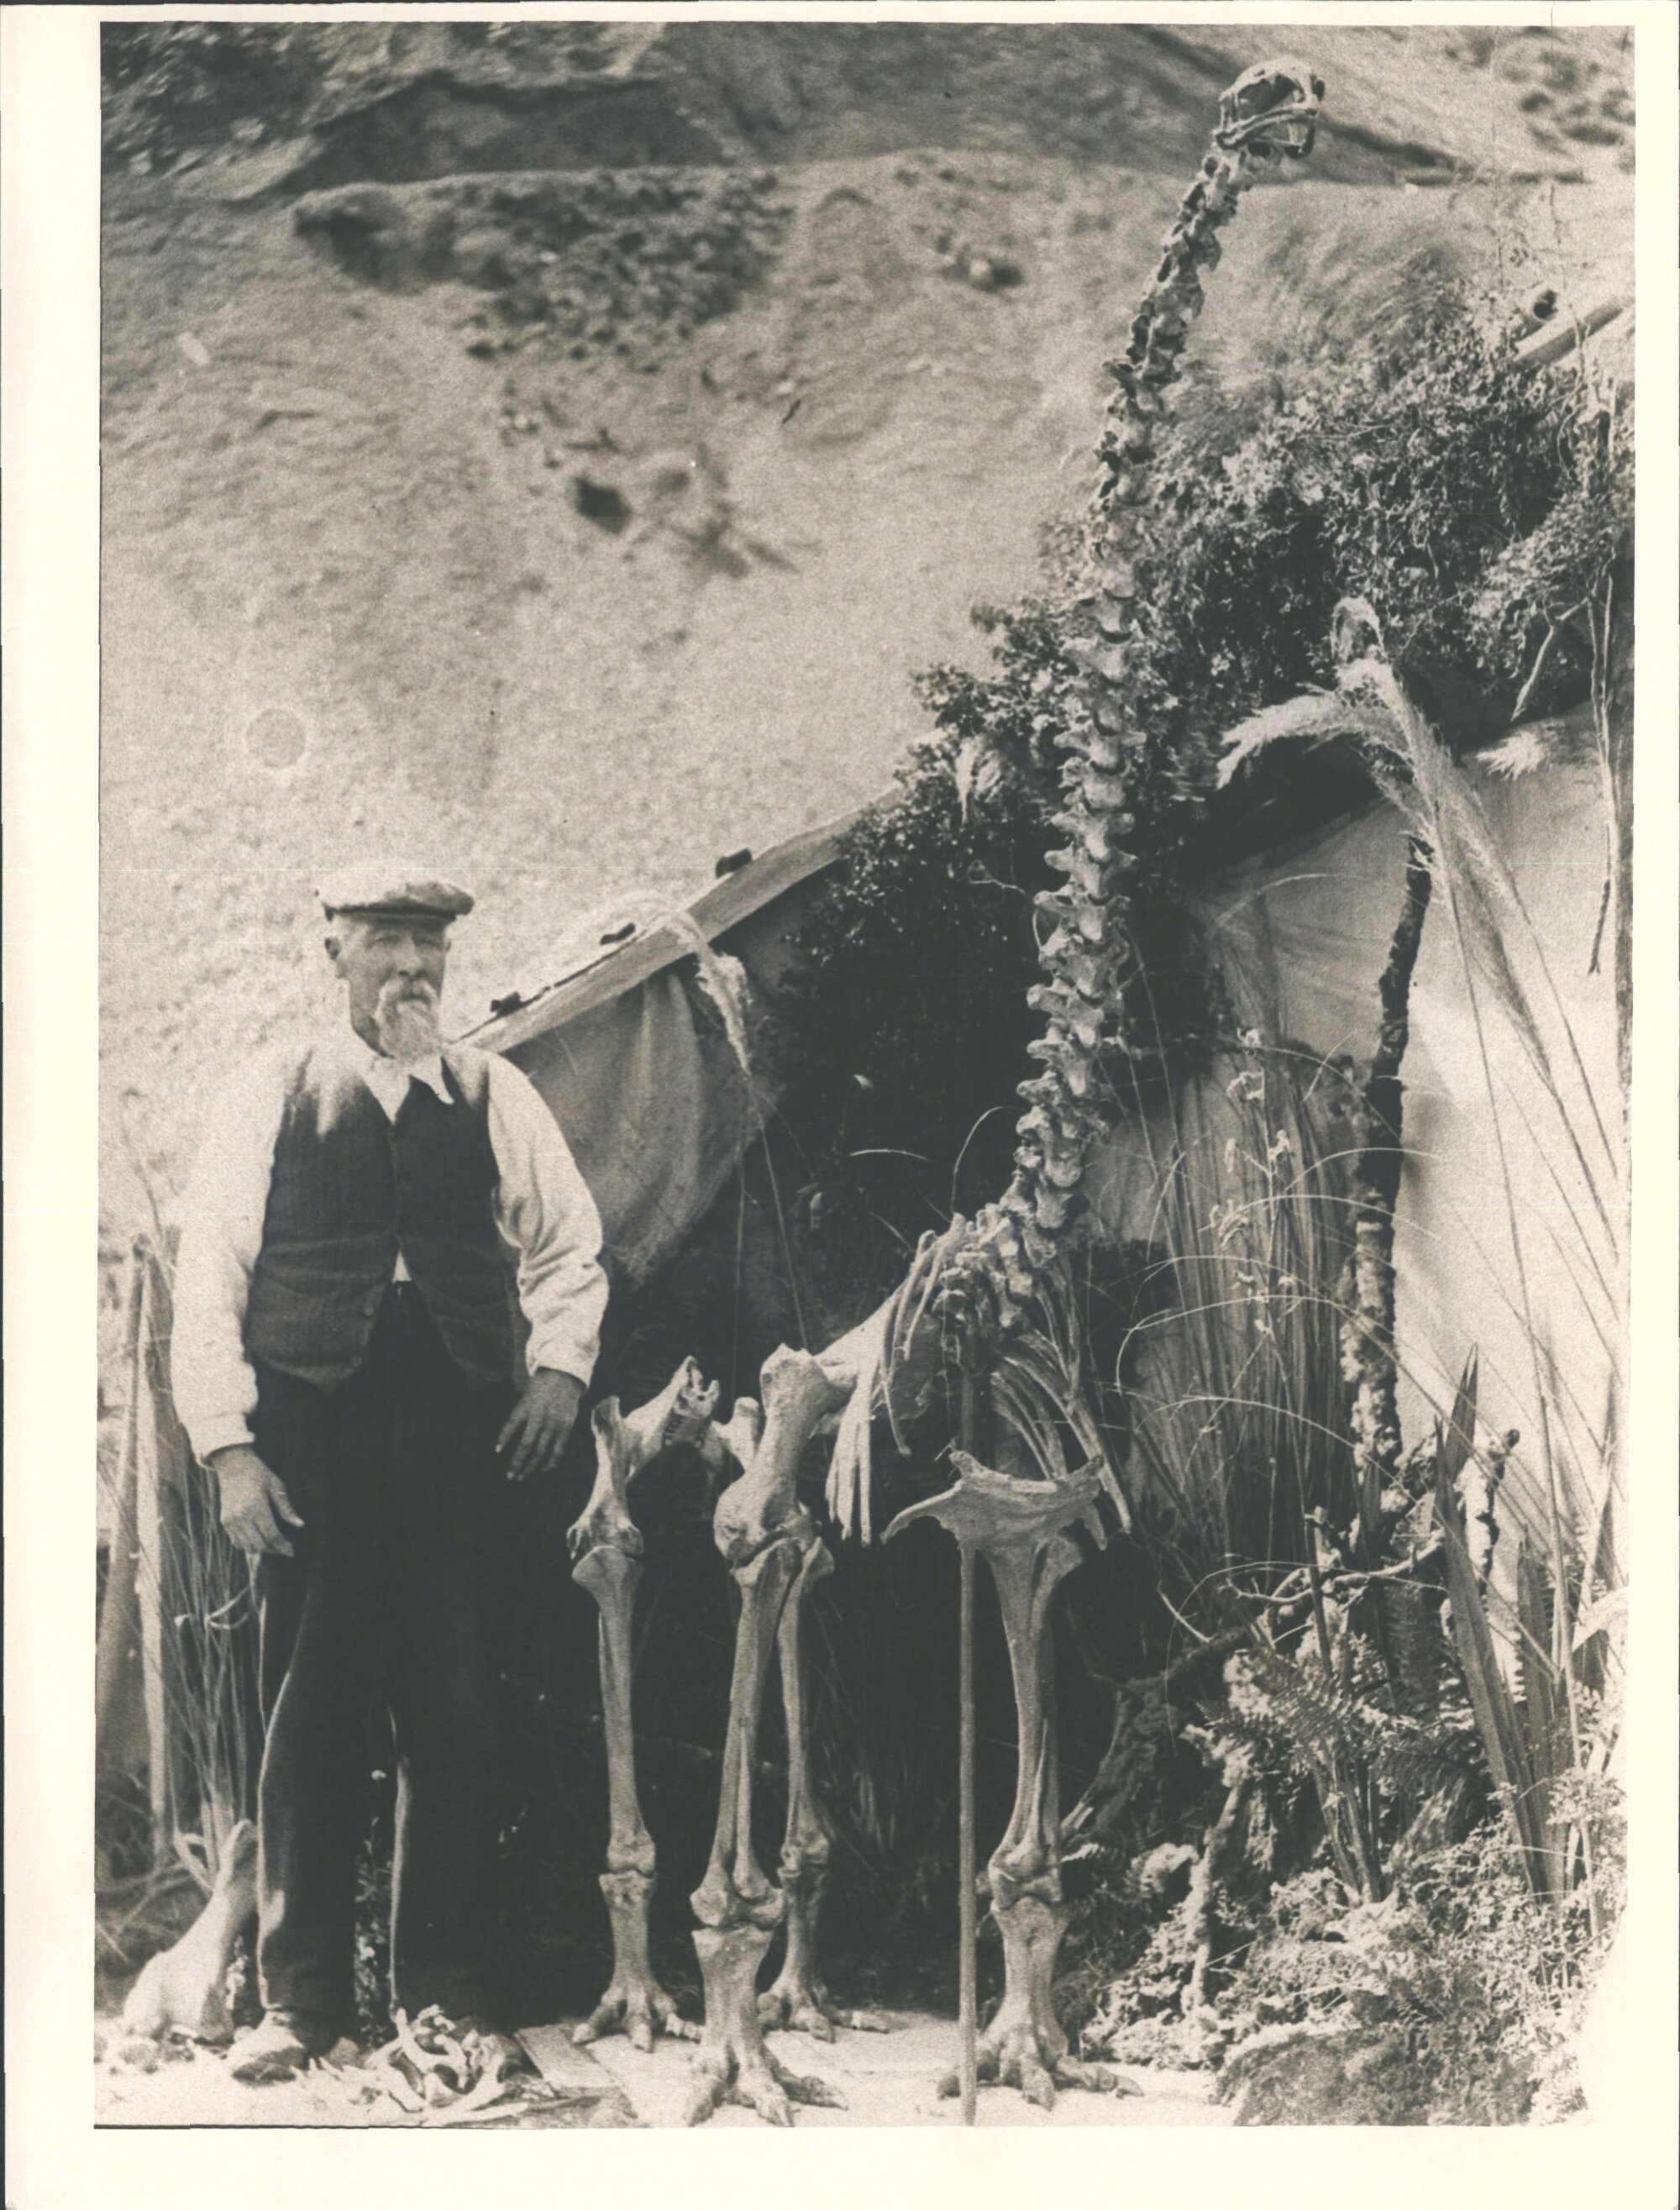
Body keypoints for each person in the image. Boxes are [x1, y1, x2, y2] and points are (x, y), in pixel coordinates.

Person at [172, 874, 610, 2082]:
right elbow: (207, 1271)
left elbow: (571, 1246)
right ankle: (299, 2005)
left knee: (459, 1717)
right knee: (309, 1715)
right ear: (336, 952)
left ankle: (448, 1999)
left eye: (429, 945)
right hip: (311, 1440)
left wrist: (558, 1376)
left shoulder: (492, 1091)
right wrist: (228, 1448)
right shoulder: (273, 1090)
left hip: (460, 1446)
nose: (410, 968)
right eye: (385, 943)